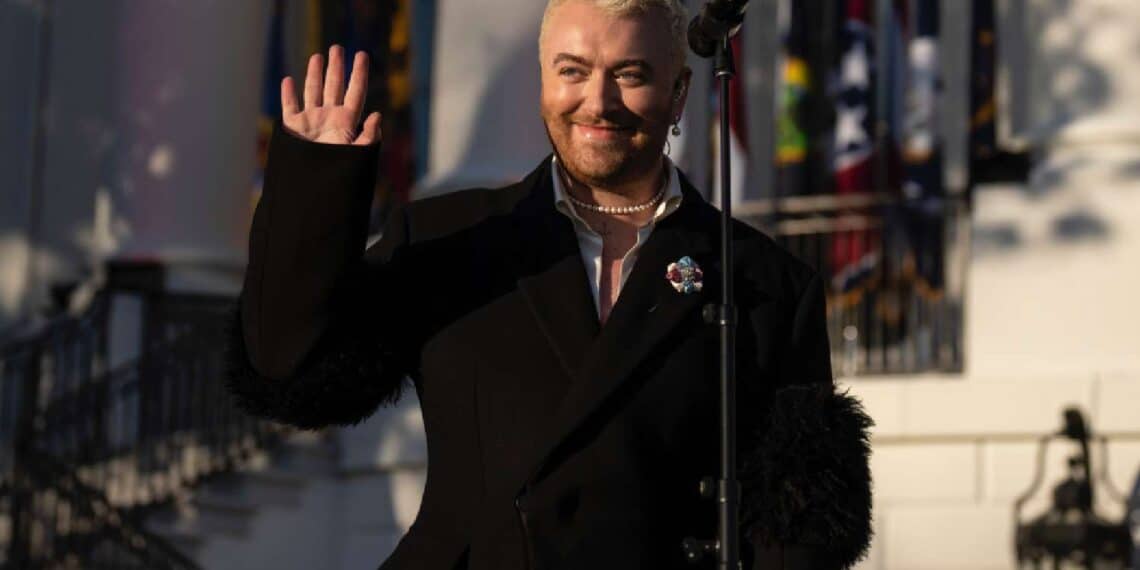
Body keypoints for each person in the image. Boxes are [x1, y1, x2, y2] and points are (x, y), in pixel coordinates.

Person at [224, 0, 872, 568]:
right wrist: (317, 187)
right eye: (573, 71)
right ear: (542, 82)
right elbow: (293, 372)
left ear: (678, 93)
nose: (598, 101)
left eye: (630, 74)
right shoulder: (453, 238)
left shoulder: (764, 283)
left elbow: (801, 531)